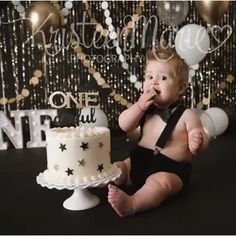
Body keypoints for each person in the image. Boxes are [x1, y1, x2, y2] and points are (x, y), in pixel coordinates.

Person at [107, 44, 209, 217]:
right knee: (118, 167)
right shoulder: (143, 109)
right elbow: (124, 124)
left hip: (170, 169)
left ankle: (133, 203)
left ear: (181, 87)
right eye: (149, 76)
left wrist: (196, 140)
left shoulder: (187, 115)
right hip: (140, 160)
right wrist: (139, 106)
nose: (153, 81)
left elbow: (202, 137)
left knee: (160, 184)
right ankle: (98, 182)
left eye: (162, 78)